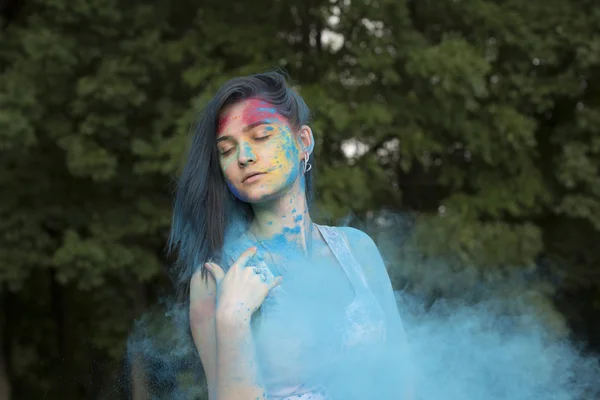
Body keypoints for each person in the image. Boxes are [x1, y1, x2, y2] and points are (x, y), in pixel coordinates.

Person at [168, 71, 412, 400]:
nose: (244, 157)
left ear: (303, 142)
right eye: (227, 150)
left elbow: (403, 381)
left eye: (261, 135)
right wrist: (232, 320)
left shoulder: (358, 250)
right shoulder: (217, 277)